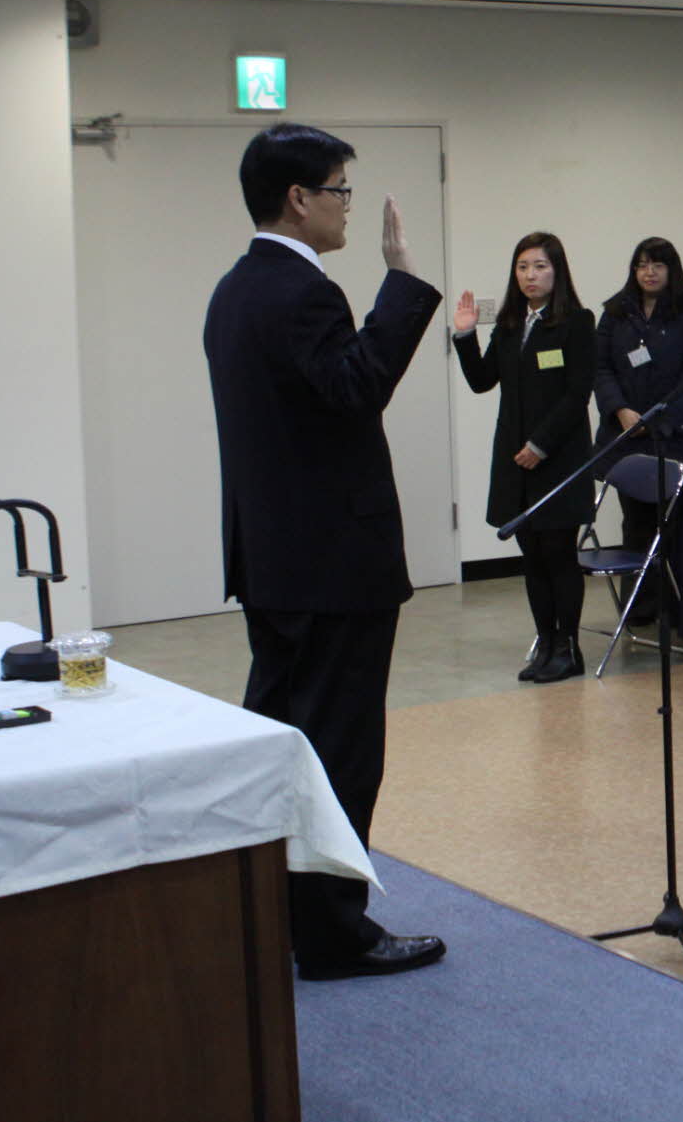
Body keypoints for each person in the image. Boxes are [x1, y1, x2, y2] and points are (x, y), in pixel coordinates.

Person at [204, 123, 446, 981]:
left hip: (274, 562)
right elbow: (354, 391)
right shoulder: (302, 293)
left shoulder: (235, 289)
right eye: (339, 189)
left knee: (282, 742)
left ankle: (278, 911)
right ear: (299, 198)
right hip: (331, 567)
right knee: (336, 752)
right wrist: (404, 288)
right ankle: (334, 933)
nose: (348, 204)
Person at [454, 232, 597, 683]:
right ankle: (545, 645)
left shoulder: (577, 321)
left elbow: (577, 395)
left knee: (558, 554)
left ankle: (569, 648)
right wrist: (463, 334)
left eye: (539, 266)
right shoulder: (513, 324)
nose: (530, 276)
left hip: (557, 457)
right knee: (531, 556)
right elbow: (482, 380)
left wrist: (542, 444)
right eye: (522, 267)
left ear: (557, 271)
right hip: (515, 458)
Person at [592, 236, 683, 626]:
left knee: (676, 525)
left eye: (657, 265)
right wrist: (621, 411)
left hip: (676, 434)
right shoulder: (615, 311)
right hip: (625, 434)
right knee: (636, 523)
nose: (649, 272)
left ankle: (679, 612)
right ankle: (640, 609)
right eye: (642, 264)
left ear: (671, 269)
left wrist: (660, 420)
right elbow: (599, 367)